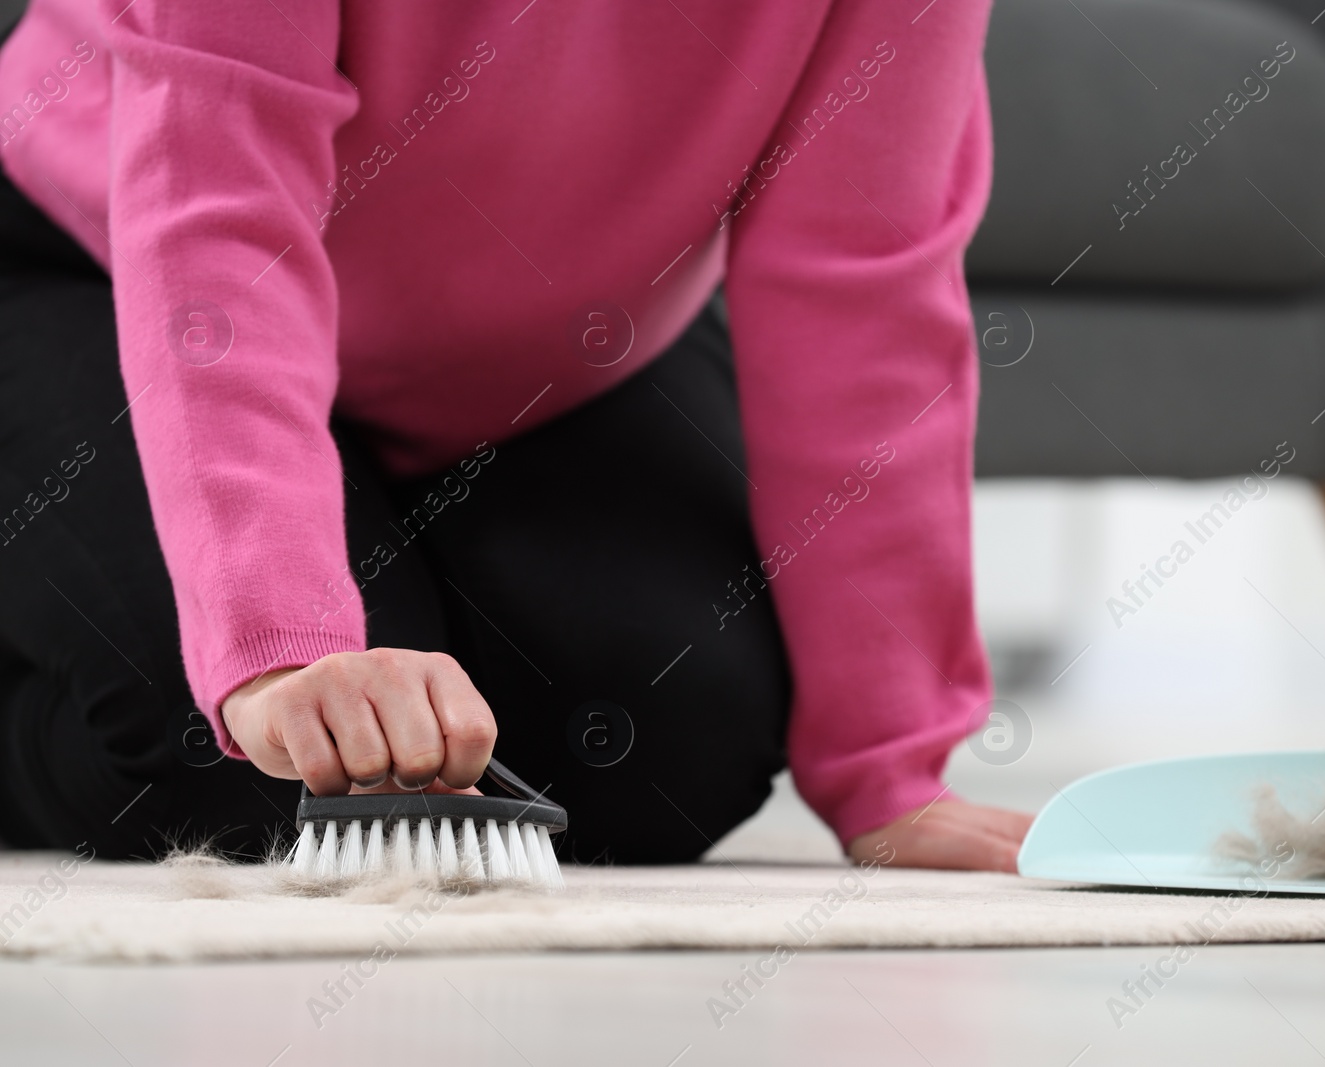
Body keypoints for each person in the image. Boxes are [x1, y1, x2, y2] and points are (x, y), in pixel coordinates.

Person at [0, 0, 1030, 871]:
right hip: (107, 264)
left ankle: (383, 557)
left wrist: (890, 769)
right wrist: (278, 645)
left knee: (663, 746)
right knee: (250, 769)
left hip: (554, 351)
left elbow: (861, 283)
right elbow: (216, 210)